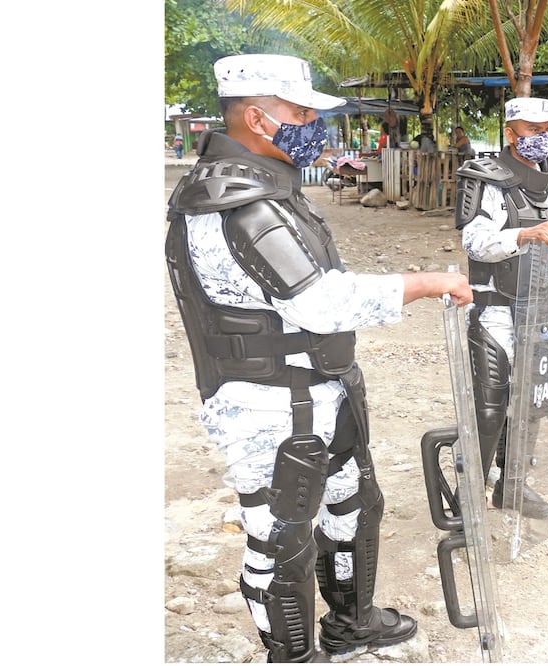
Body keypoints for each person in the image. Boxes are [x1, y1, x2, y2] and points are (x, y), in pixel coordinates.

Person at [164, 53, 472, 663]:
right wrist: (426, 282)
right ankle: (295, 654)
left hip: (317, 388)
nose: (313, 123)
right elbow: (321, 302)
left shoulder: (270, 189)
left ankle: (351, 625)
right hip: (266, 404)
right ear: (256, 116)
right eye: (300, 111)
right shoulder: (235, 203)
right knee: (281, 540)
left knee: (354, 505)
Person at [453, 96, 548, 519]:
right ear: (509, 132)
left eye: (546, 130)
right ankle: (467, 495)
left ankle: (513, 486)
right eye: (531, 130)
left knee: (531, 402)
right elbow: (474, 242)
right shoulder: (486, 178)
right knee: (490, 409)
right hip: (495, 310)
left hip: (542, 310)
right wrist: (523, 235)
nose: (541, 138)